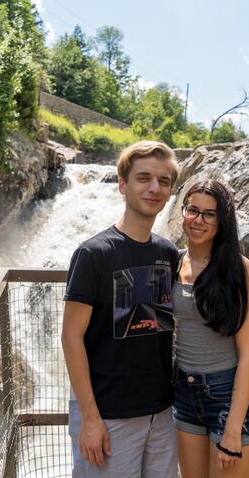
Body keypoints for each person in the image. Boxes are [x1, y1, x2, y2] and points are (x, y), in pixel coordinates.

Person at [61, 141, 181, 477]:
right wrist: (89, 419)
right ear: (122, 185)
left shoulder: (168, 253)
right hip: (108, 415)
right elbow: (71, 337)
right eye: (143, 178)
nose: (154, 188)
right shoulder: (93, 254)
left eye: (164, 180)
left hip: (161, 413)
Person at [172, 180, 249, 478]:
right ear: (182, 212)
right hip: (184, 393)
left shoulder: (237, 267)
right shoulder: (174, 263)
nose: (199, 220)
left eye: (209, 214)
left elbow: (248, 353)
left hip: (227, 394)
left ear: (222, 221)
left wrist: (233, 429)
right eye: (192, 210)